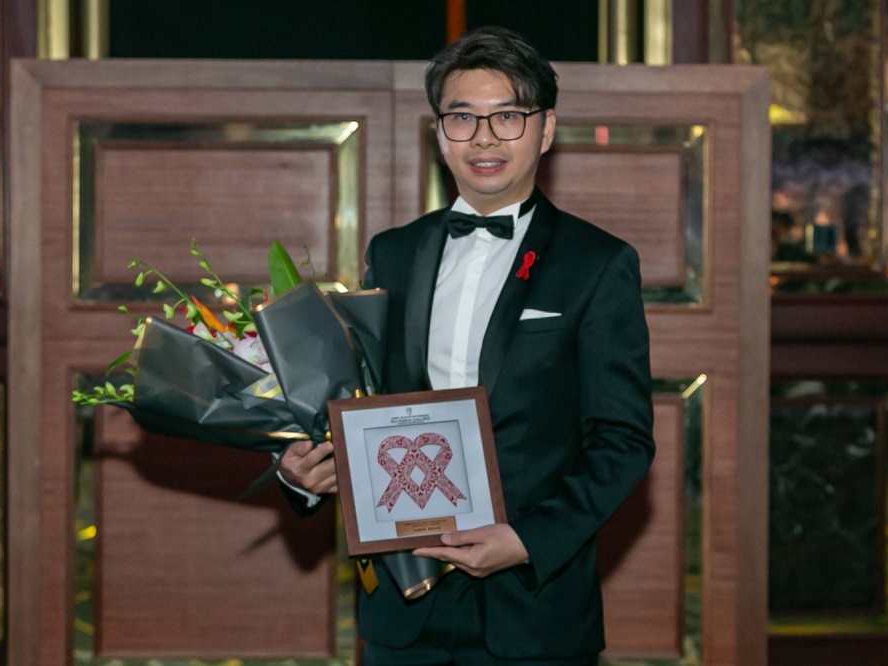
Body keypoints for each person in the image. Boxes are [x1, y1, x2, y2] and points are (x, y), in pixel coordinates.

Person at [278, 26, 655, 665]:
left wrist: (527, 540)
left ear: (546, 129)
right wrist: (304, 474)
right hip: (403, 610)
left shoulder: (598, 264)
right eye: (462, 117)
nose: (484, 137)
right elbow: (364, 404)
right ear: (439, 133)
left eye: (507, 116)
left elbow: (623, 439)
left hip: (532, 610)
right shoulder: (392, 254)